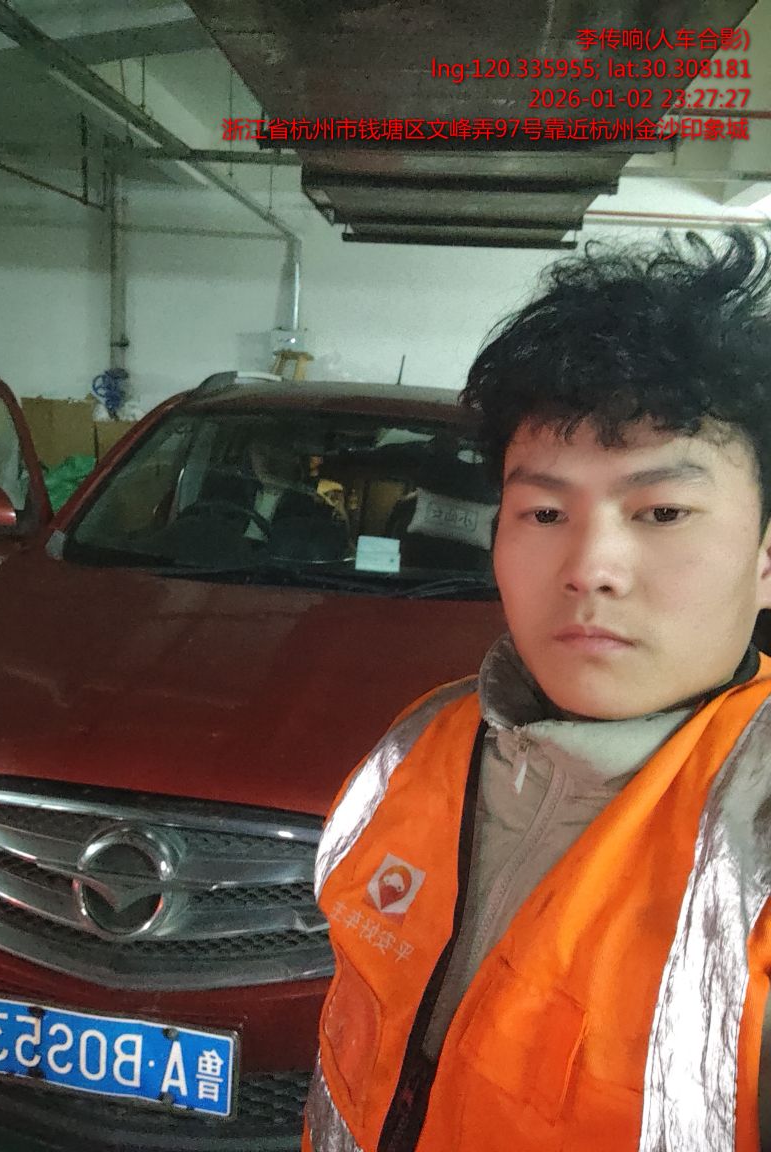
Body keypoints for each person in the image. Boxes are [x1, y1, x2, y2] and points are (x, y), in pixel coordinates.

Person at [303, 226, 771, 1152]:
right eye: (545, 511)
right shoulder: (420, 744)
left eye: (663, 511)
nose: (591, 566)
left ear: (765, 560)